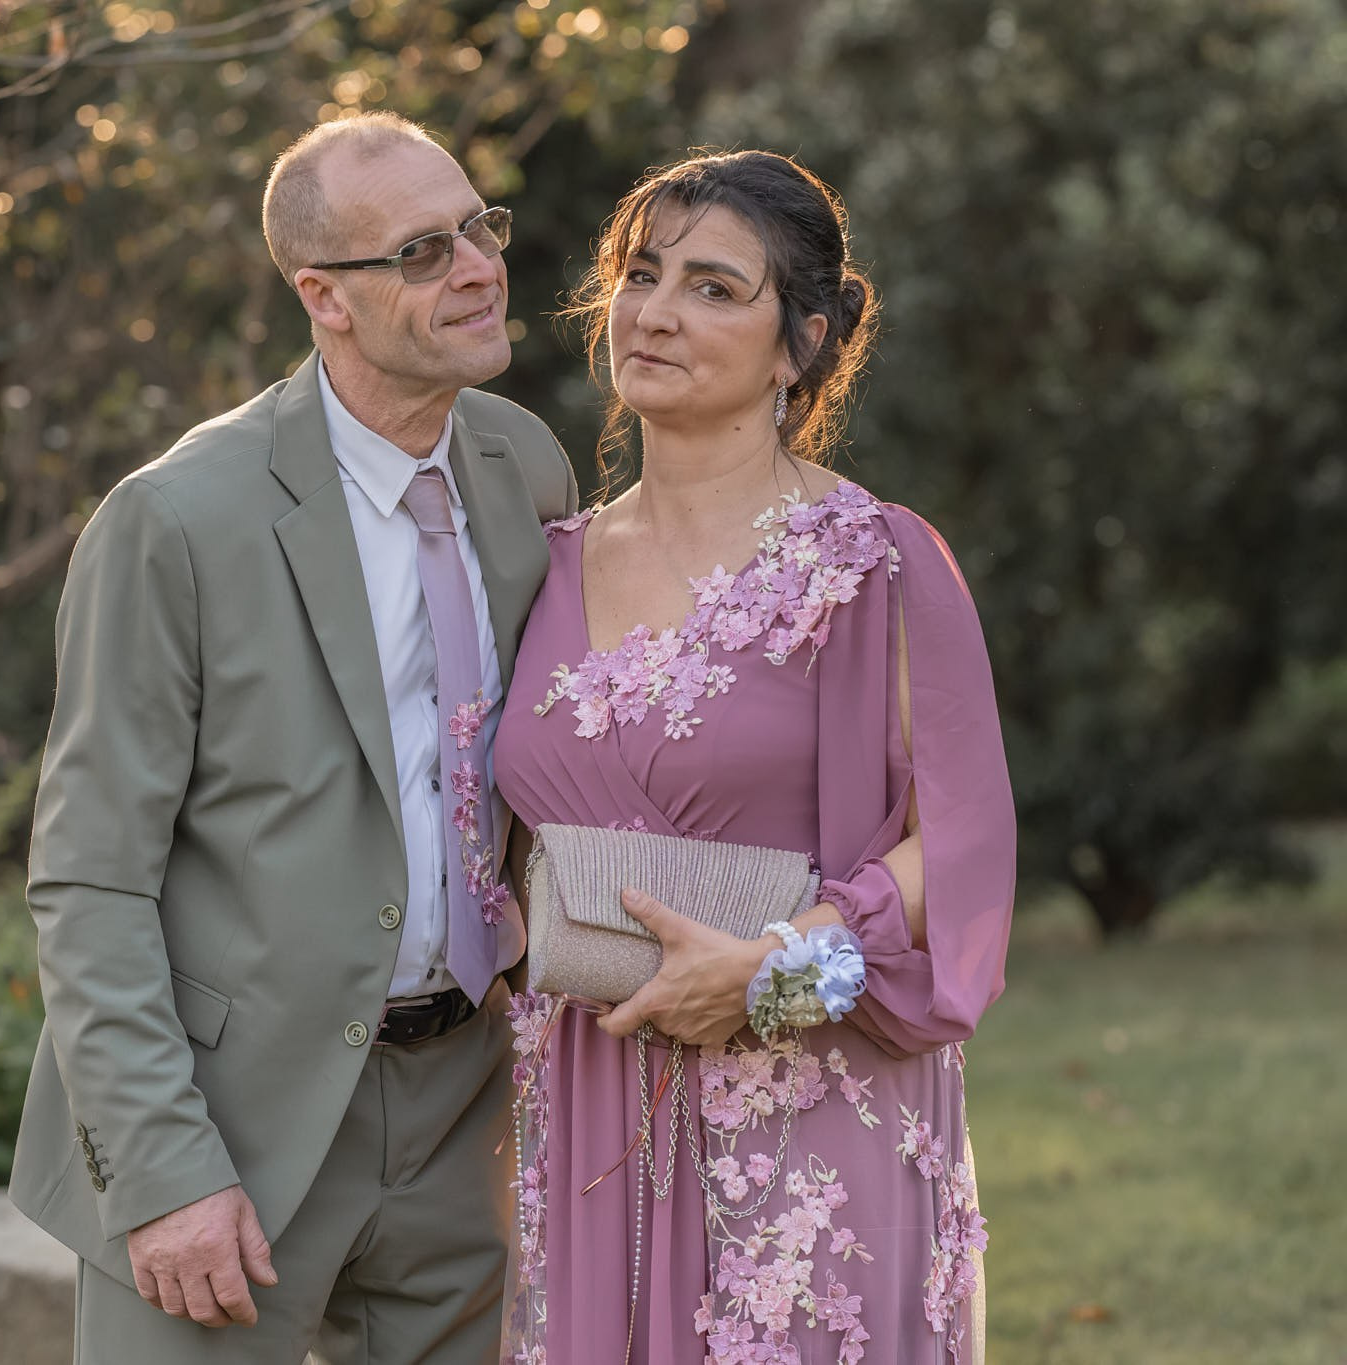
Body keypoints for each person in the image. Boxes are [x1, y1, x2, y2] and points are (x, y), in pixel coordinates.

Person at [8, 111, 577, 1365]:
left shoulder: (526, 469)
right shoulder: (174, 522)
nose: (480, 266)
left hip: (466, 1115)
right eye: (424, 251)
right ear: (322, 294)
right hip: (233, 1130)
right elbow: (90, 875)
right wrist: (159, 1169)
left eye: (480, 226)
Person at [491, 150, 1016, 1363]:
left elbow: (968, 858)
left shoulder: (876, 564)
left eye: (715, 288)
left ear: (801, 345)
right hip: (586, 1105)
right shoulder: (543, 563)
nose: (655, 311)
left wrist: (771, 978)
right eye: (641, 272)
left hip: (809, 1116)